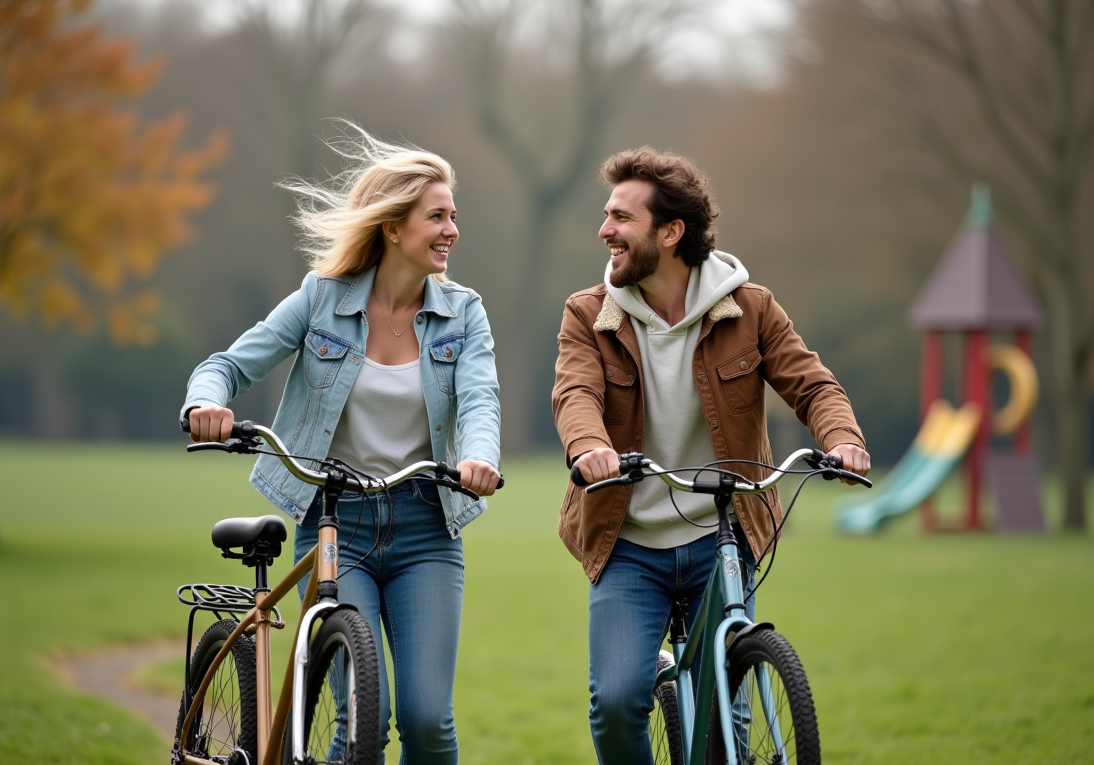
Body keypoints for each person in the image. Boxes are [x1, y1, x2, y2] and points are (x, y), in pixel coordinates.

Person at [181, 128, 501, 765]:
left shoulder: (464, 314)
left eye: (454, 216)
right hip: (335, 527)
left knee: (428, 721)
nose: (452, 230)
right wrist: (205, 402)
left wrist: (481, 456)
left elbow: (481, 398)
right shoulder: (320, 299)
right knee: (360, 716)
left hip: (426, 528)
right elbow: (230, 363)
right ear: (392, 226)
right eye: (437, 216)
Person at [552, 146, 870, 764]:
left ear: (671, 233)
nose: (604, 230)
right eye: (606, 214)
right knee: (617, 702)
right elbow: (576, 393)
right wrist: (590, 448)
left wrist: (842, 439)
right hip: (629, 541)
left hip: (720, 537)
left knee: (726, 714)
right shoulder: (589, 314)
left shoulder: (750, 307)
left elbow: (812, 384)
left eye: (621, 218)